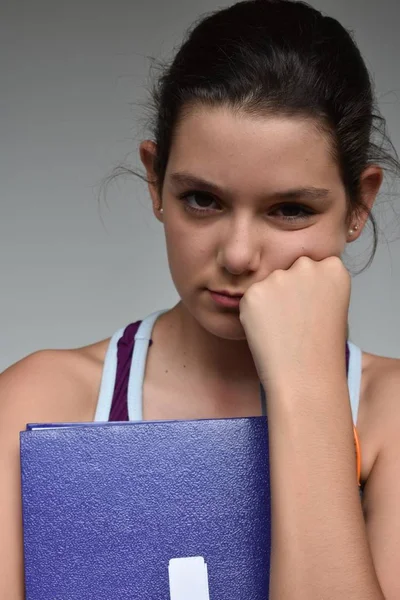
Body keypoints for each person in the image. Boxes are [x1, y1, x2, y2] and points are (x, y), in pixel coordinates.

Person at [1, 0, 399, 597]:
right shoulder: (40, 402)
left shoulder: (387, 415)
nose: (238, 255)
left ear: (359, 205)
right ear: (156, 181)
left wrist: (307, 390)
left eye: (290, 209)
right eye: (203, 201)